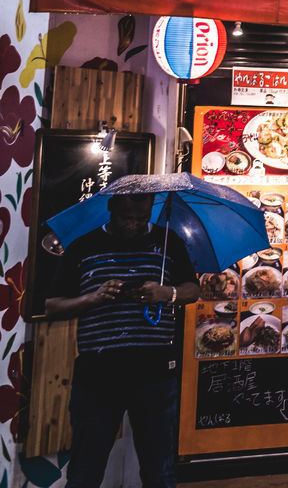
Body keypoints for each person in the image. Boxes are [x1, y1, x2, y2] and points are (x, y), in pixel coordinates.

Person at [46, 193, 199, 488]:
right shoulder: (83, 246)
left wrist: (167, 293)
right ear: (111, 209)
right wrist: (94, 298)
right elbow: (53, 306)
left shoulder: (168, 242)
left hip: (154, 373)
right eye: (126, 218)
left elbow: (192, 289)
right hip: (97, 374)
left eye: (141, 219)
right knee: (84, 472)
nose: (133, 225)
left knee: (160, 472)